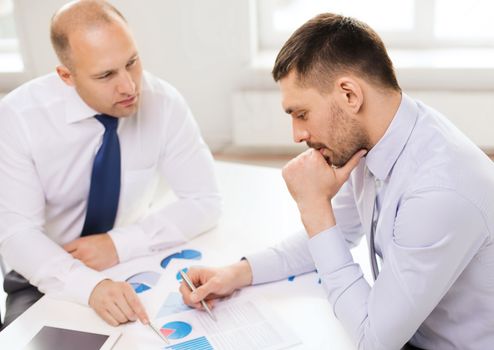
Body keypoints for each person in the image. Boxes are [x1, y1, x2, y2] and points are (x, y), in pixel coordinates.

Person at [179, 13, 494, 350]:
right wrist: (236, 273)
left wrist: (314, 208)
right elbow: (336, 233)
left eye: (301, 114)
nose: (297, 134)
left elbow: (373, 341)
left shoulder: (437, 193)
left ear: (349, 95)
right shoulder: (376, 138)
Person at [0, 0, 221, 328]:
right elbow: (18, 235)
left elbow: (205, 202)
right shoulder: (19, 118)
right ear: (66, 76)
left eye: (132, 62)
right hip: (43, 275)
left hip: (132, 261)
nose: (129, 86)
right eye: (106, 75)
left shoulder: (164, 103)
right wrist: (90, 287)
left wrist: (118, 244)